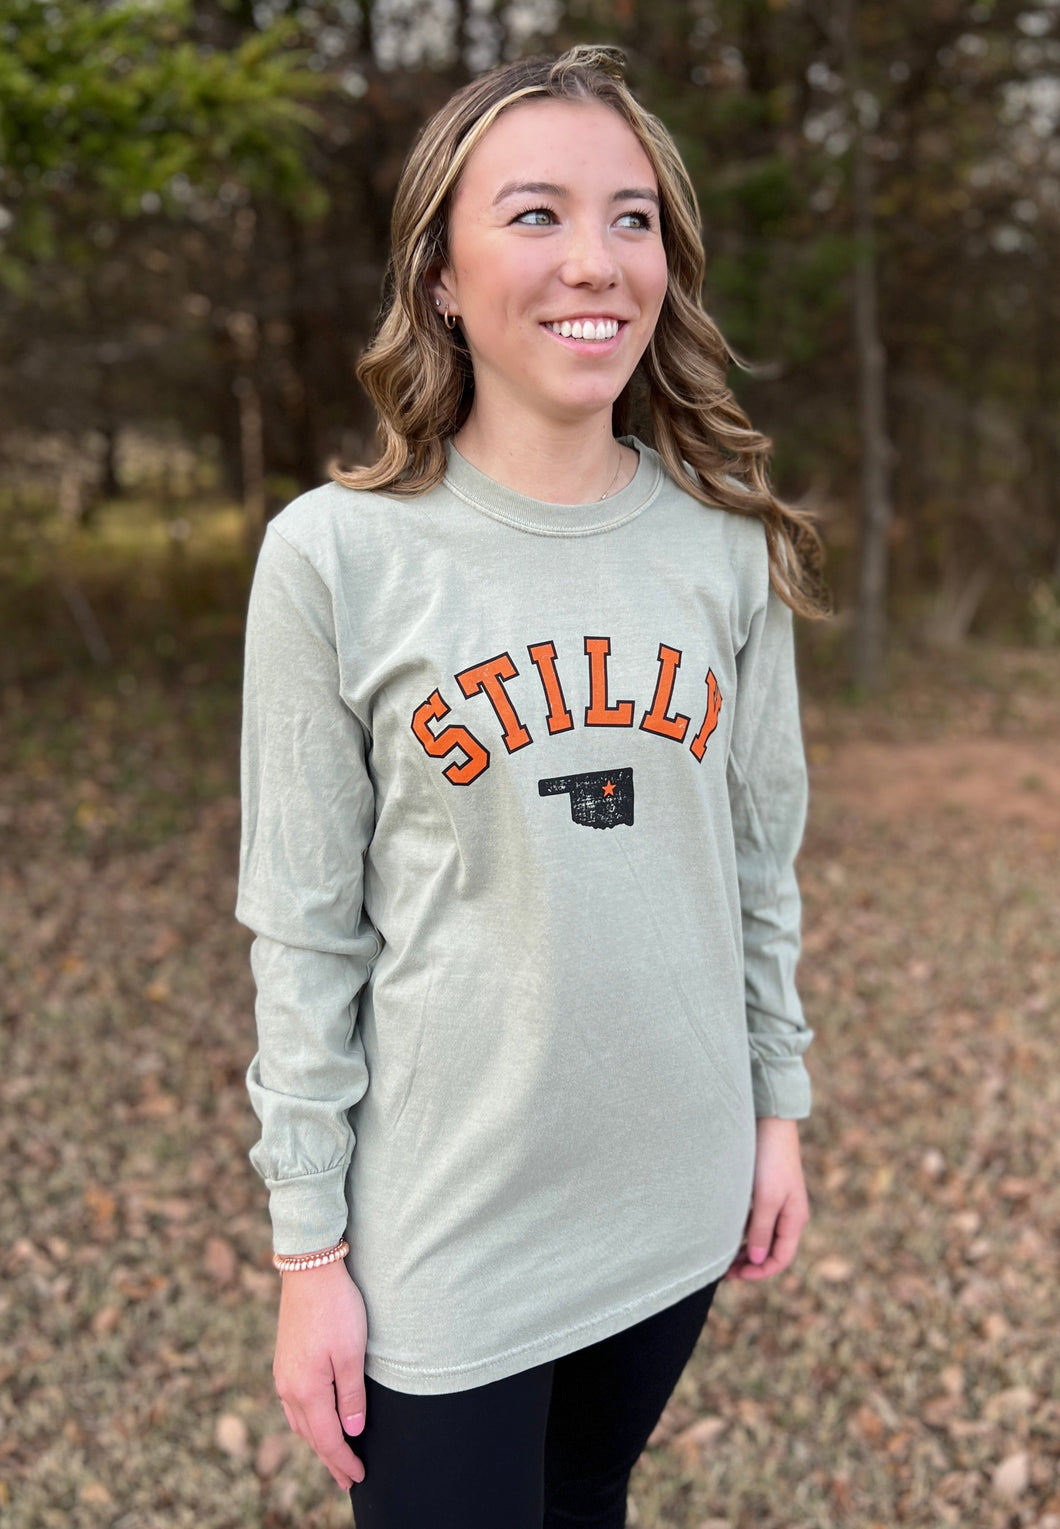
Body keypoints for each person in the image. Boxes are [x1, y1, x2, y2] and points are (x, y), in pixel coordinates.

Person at [236, 42, 827, 1529]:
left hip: (672, 1198)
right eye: (537, 213)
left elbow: (759, 862)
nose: (597, 260)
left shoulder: (723, 544)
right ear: (441, 272)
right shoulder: (338, 557)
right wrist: (310, 1257)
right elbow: (307, 930)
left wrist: (778, 1108)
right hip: (452, 1235)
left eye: (633, 218)